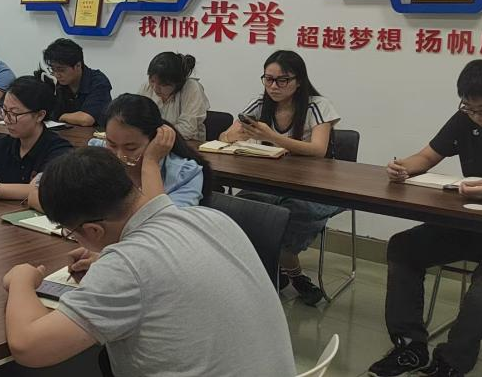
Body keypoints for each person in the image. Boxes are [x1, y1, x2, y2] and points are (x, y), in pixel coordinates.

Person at [0, 147, 295, 375]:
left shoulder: (126, 266)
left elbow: (29, 347)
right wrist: (105, 261)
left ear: (93, 230)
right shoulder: (209, 217)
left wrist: (21, 281)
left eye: (71, 232)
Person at [368, 59, 482, 377]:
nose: (477, 117)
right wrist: (403, 167)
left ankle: (452, 361)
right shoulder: (464, 120)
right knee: (403, 247)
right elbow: (427, 156)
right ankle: (409, 346)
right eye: (469, 108)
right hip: (468, 224)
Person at [219, 50, 341, 306]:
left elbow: (318, 150)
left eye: (282, 80)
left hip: (313, 186)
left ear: (298, 81)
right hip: (269, 182)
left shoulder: (317, 106)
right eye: (268, 79)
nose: (273, 86)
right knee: (242, 210)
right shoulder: (260, 104)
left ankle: (292, 275)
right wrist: (233, 136)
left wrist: (272, 137)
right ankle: (270, 273)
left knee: (288, 218)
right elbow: (224, 136)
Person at [89, 94, 211, 207]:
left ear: (155, 139)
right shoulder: (96, 154)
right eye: (112, 144)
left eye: (131, 148)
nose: (119, 156)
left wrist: (151, 161)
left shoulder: (184, 175)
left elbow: (161, 221)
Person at [138, 52, 210, 141]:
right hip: (151, 142)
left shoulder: (192, 88)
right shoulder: (147, 87)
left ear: (177, 83)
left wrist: (152, 132)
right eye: (152, 81)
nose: (155, 88)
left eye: (163, 84)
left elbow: (186, 130)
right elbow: (136, 120)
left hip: (186, 145)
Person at [39, 38, 111, 127]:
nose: (56, 75)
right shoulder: (55, 82)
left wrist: (62, 116)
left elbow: (86, 119)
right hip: (64, 132)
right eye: (53, 69)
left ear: (78, 65)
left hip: (94, 134)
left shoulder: (98, 82)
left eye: (61, 70)